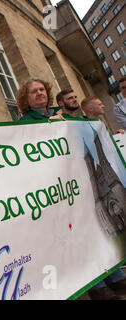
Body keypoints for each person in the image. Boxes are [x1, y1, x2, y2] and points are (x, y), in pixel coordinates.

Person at [80, 96, 126, 300]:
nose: (104, 106)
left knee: (102, 236)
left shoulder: (96, 125)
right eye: (99, 104)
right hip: (81, 191)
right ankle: (99, 286)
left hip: (102, 185)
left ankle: (115, 276)